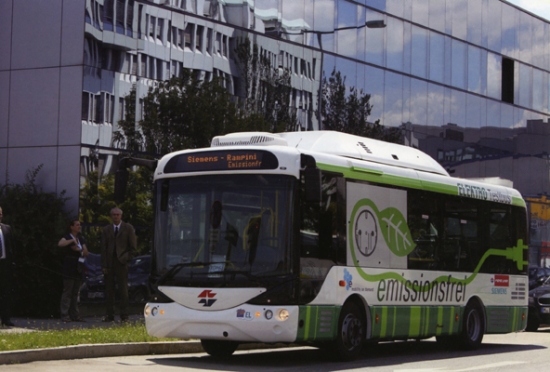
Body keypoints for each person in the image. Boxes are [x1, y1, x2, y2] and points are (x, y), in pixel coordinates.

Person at [101, 207, 137, 322]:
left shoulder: (128, 228)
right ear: (111, 216)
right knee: (109, 290)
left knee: (123, 290)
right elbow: (103, 248)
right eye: (113, 215)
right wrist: (104, 265)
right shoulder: (106, 229)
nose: (116, 216)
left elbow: (133, 248)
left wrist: (125, 259)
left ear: (121, 216)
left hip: (121, 263)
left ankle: (124, 315)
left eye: (117, 214)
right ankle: (109, 315)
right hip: (110, 263)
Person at [58, 219, 89, 322]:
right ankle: (64, 314)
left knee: (76, 292)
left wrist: (79, 249)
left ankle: (75, 314)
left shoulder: (81, 238)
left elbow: (86, 252)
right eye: (77, 225)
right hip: (69, 267)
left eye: (79, 225)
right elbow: (60, 244)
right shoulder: (67, 237)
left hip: (78, 267)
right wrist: (72, 241)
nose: (79, 227)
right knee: (68, 292)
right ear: (71, 227)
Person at [0, 206, 15, 327]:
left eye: (0, 213)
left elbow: (11, 246)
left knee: (5, 292)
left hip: (4, 264)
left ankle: (6, 319)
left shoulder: (7, 228)